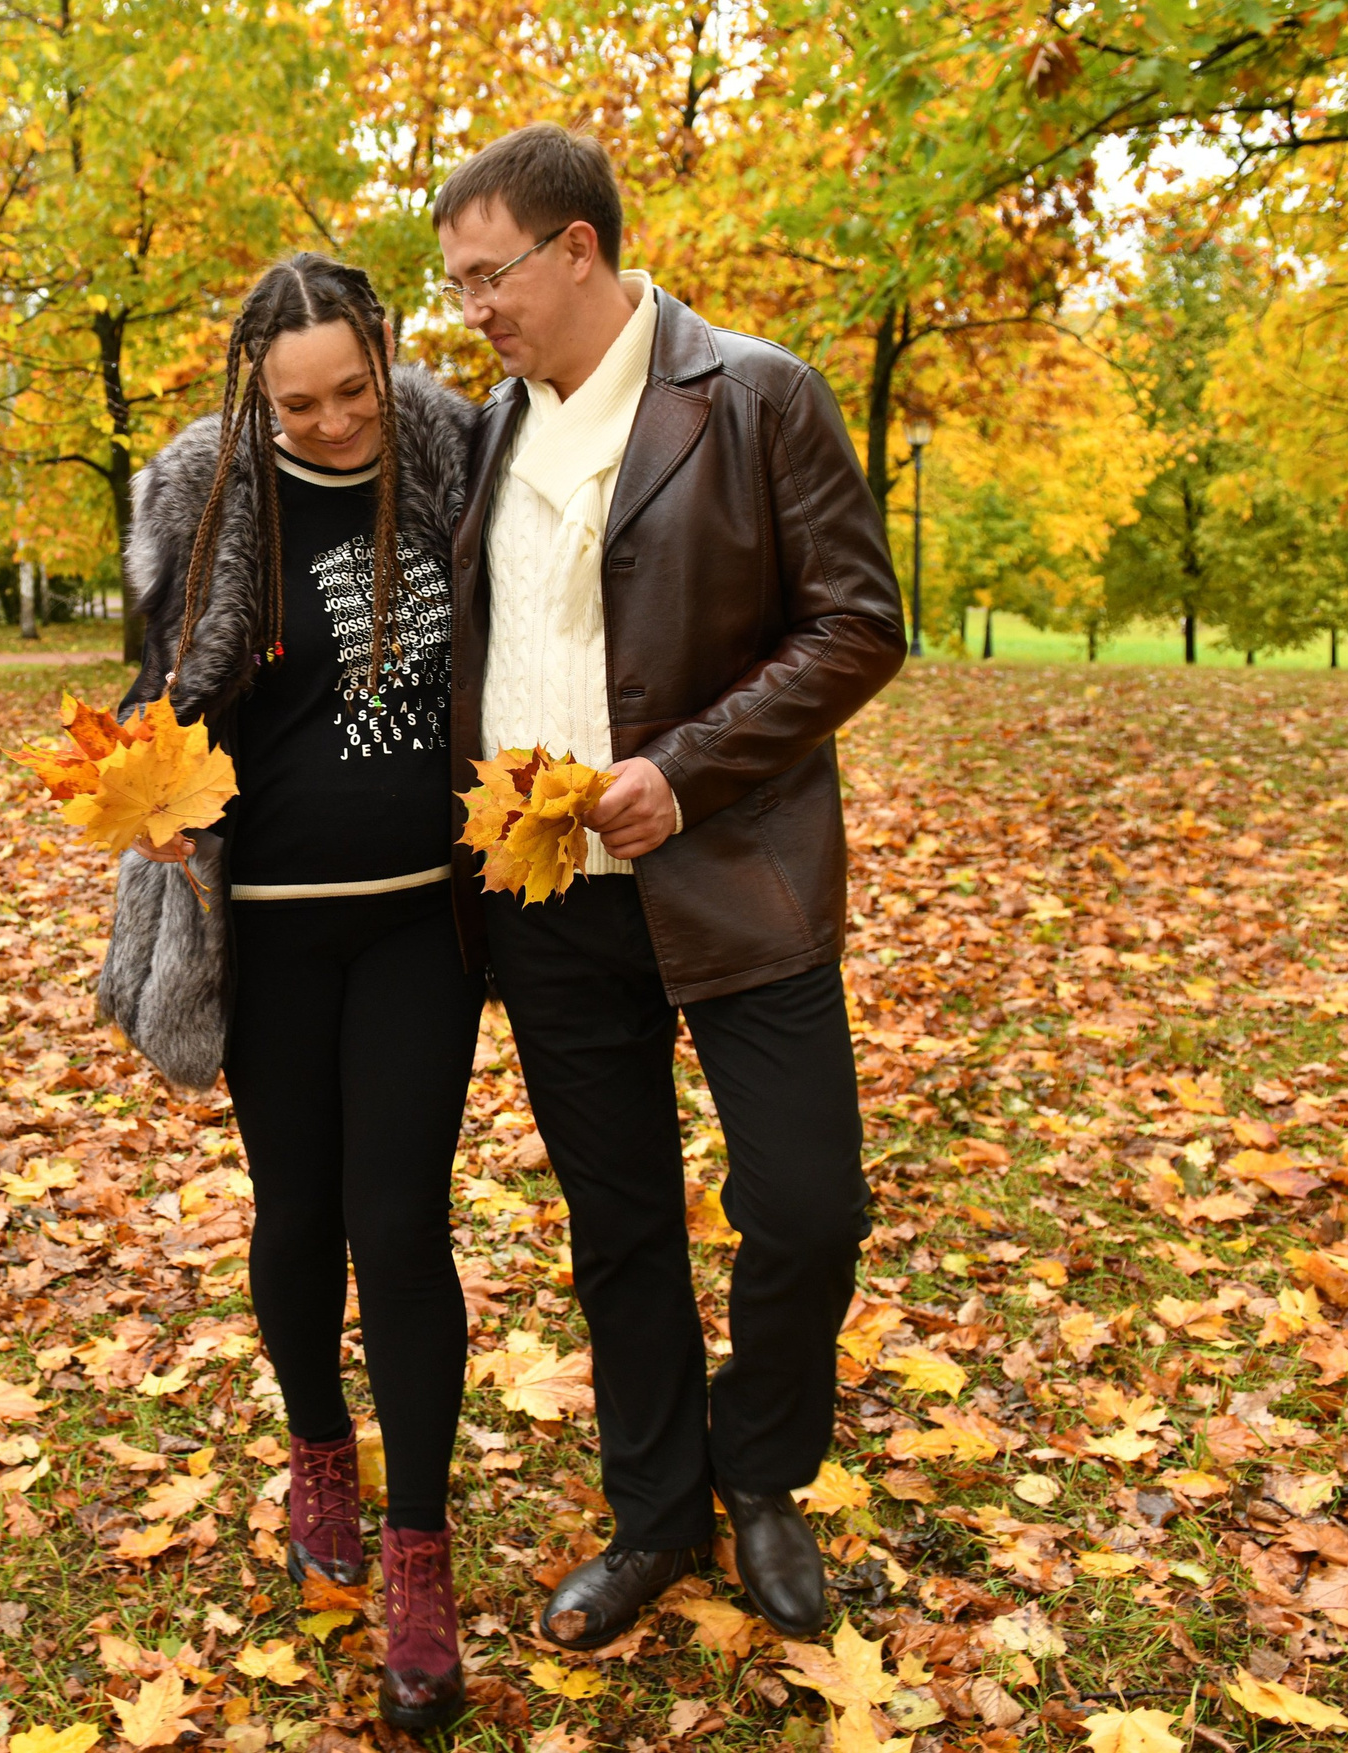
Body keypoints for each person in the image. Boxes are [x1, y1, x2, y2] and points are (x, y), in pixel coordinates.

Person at [432, 125, 908, 1649]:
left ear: (580, 250)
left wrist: (687, 768)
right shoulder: (489, 427)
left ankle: (762, 1472)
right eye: (454, 286)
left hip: (737, 872)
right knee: (618, 1220)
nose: (473, 312)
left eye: (489, 276)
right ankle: (657, 1514)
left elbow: (857, 624)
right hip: (545, 887)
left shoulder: (754, 392)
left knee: (807, 1202)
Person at [117, 253, 482, 1732]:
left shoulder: (460, 454)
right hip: (264, 929)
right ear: (252, 392)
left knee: (400, 1225)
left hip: (417, 928)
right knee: (301, 1212)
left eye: (354, 391)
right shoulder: (207, 496)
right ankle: (319, 1447)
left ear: (388, 358)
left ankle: (419, 1557)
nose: (334, 423)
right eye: (300, 402)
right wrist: (148, 760)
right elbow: (166, 702)